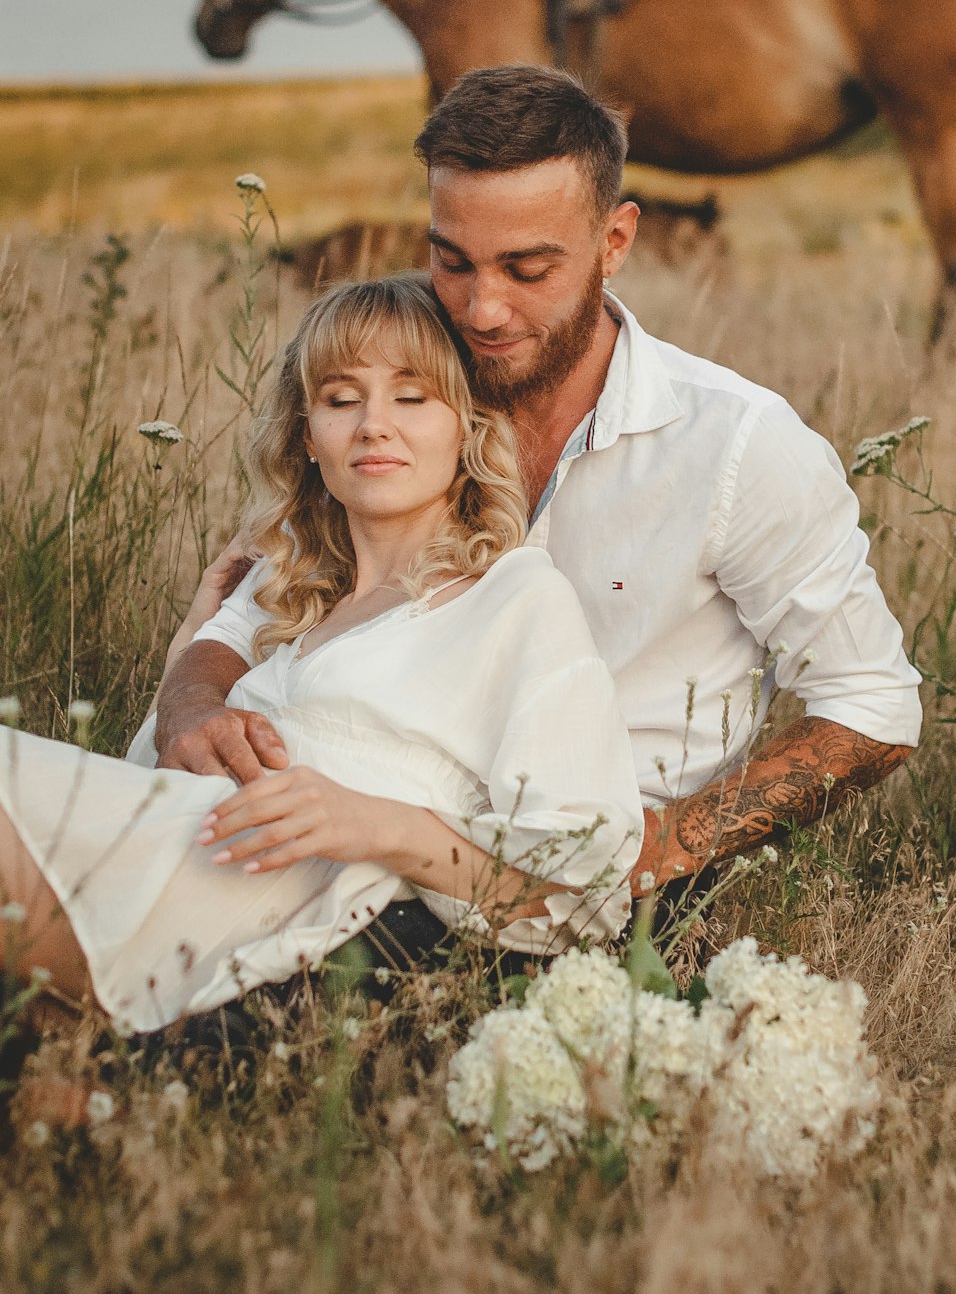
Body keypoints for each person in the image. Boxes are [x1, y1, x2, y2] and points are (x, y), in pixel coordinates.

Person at [153, 65, 922, 943]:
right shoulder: (410, 388)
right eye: (452, 260)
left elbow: (873, 707)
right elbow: (266, 592)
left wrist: (662, 848)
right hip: (353, 838)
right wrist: (191, 702)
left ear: (615, 240)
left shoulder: (738, 445)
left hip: (568, 892)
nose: (483, 308)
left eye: (528, 268)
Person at [0, 276, 642, 1033]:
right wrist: (190, 682)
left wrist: (377, 823)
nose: (374, 425)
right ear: (308, 435)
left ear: (467, 426)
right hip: (184, 833)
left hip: (303, 891)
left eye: (412, 397)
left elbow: (589, 883)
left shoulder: (514, 597)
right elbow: (207, 656)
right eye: (341, 399)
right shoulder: (290, 577)